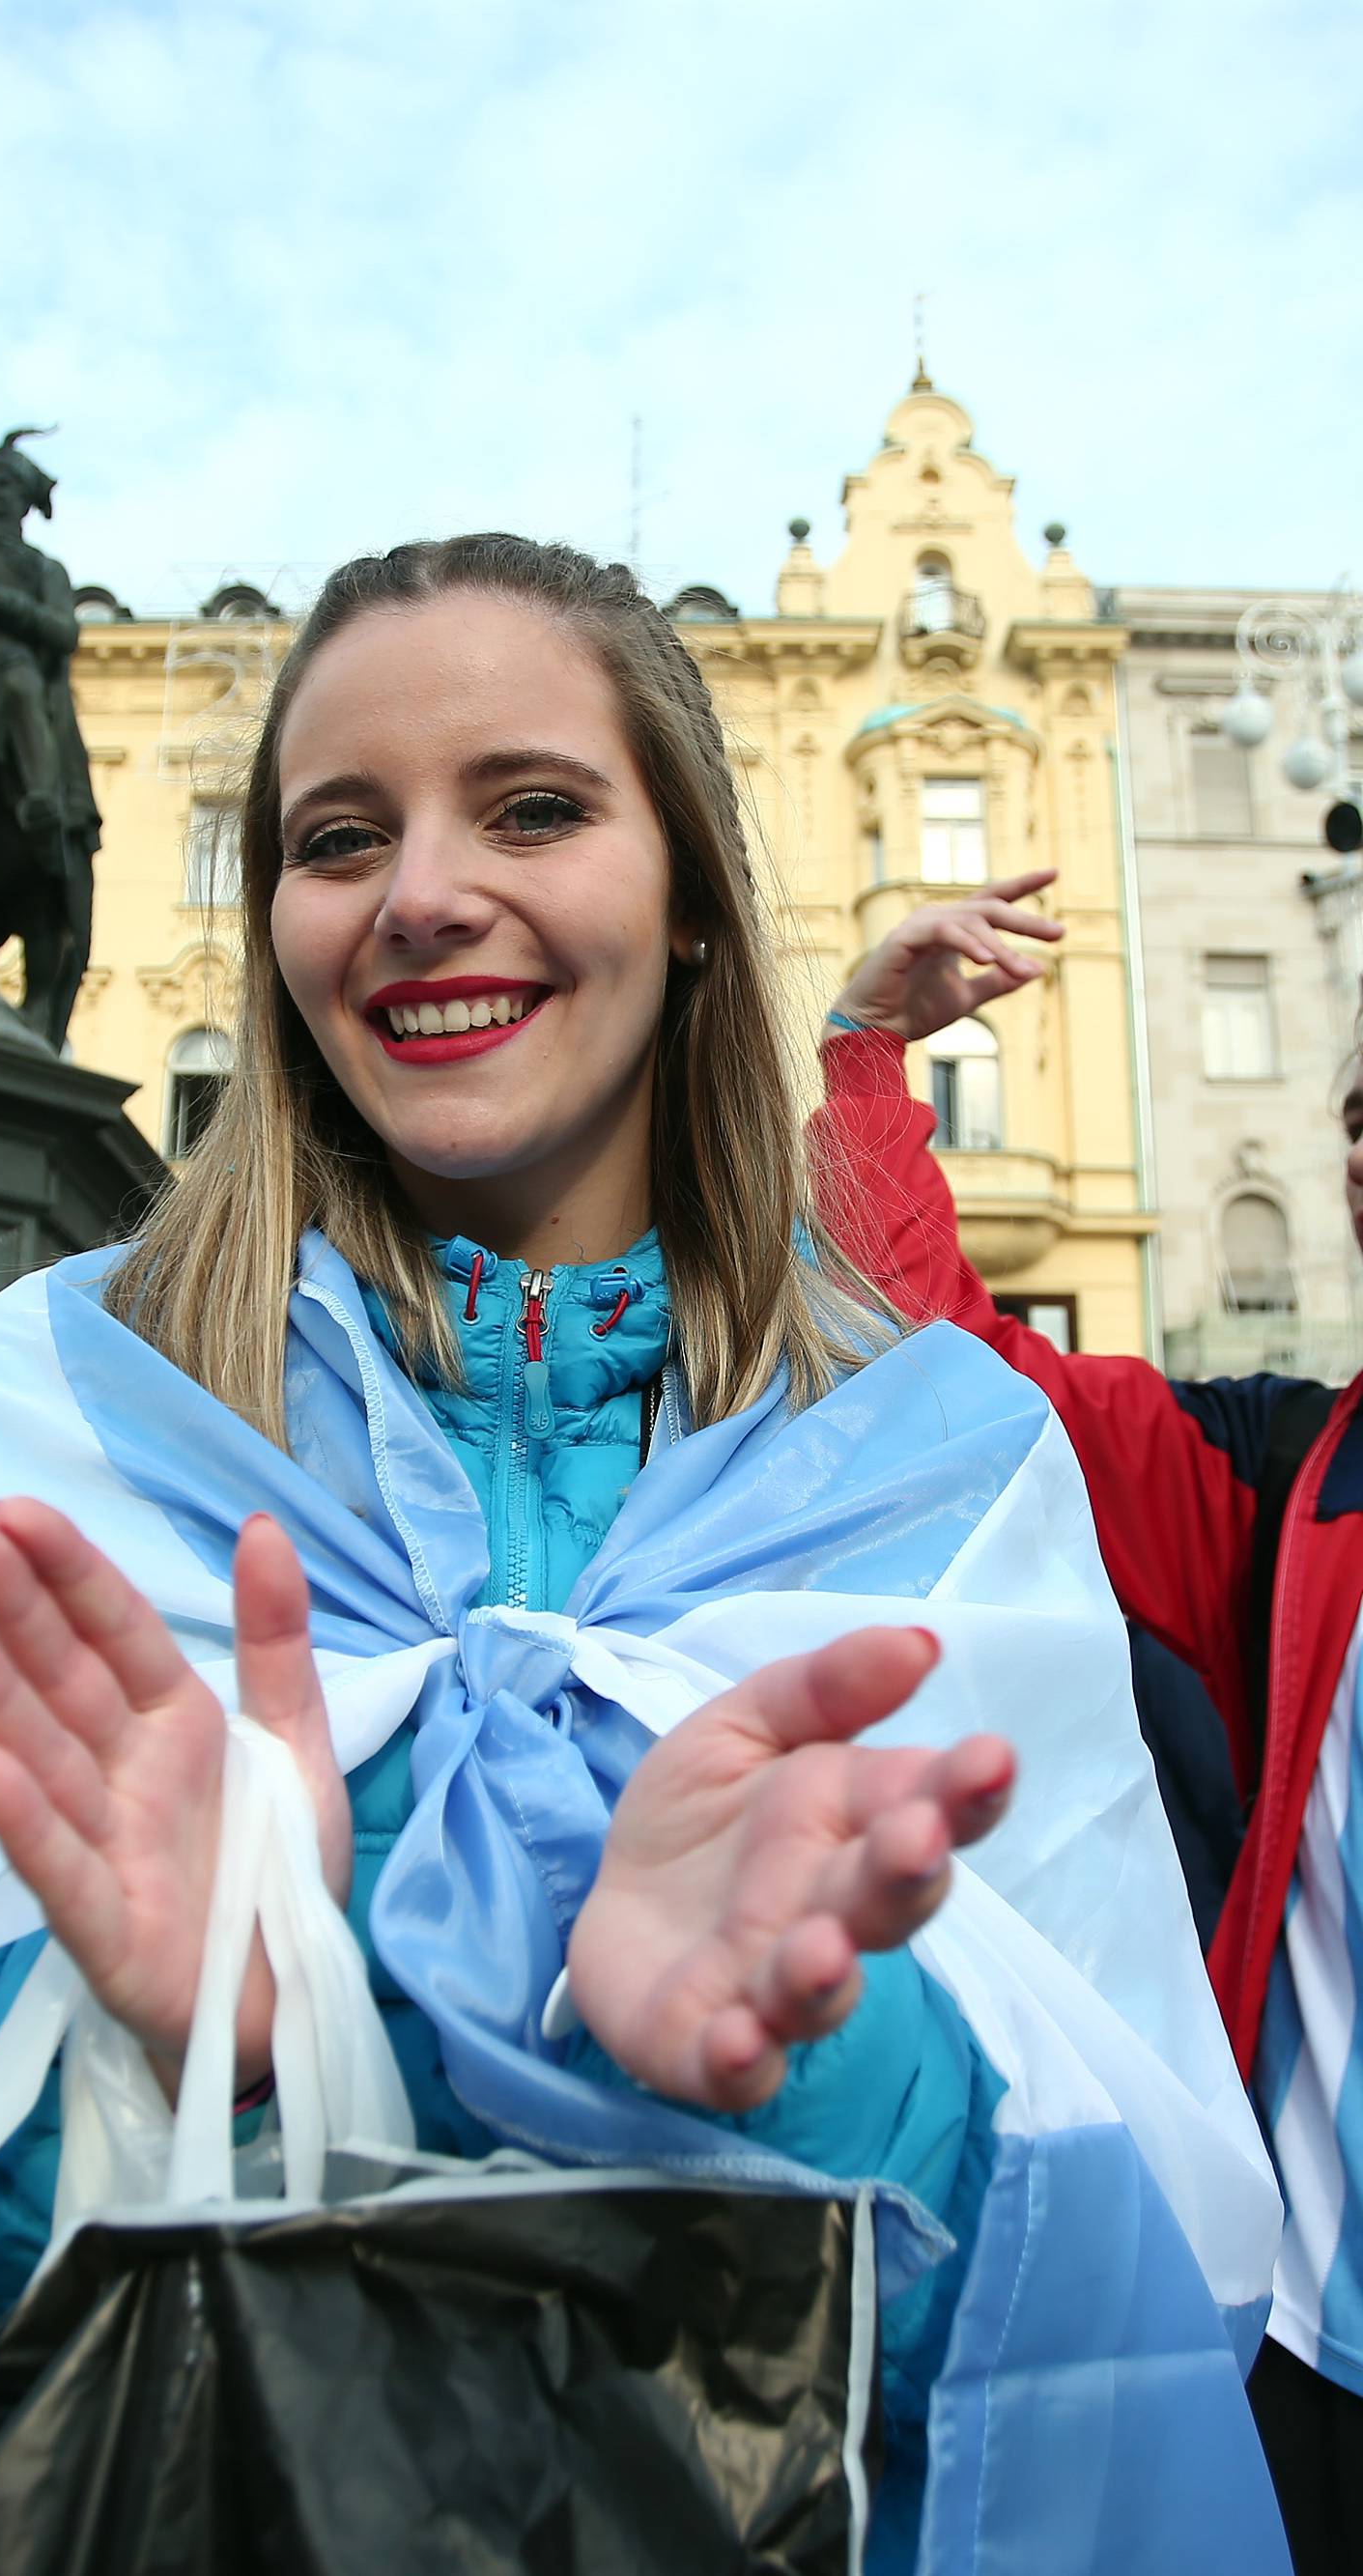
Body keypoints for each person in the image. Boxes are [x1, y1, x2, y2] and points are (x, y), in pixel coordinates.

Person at [0, 549, 1284, 2576]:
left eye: (533, 807)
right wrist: (127, 2041)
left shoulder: (945, 1460)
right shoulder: (56, 1402)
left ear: (699, 900)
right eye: (336, 836)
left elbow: (1133, 2262)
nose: (420, 892)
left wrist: (803, 2053)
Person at [812, 865, 1363, 2575]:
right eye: (1359, 1113)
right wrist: (864, 1054)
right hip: (1311, 2368)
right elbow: (958, 1369)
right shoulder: (1288, 1483)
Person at [0, 427, 102, 865]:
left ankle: (42, 794)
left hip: (8, 662)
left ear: (24, 497)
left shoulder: (42, 567)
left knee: (18, 682)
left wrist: (6, 603)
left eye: (6, 484)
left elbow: (65, 631)